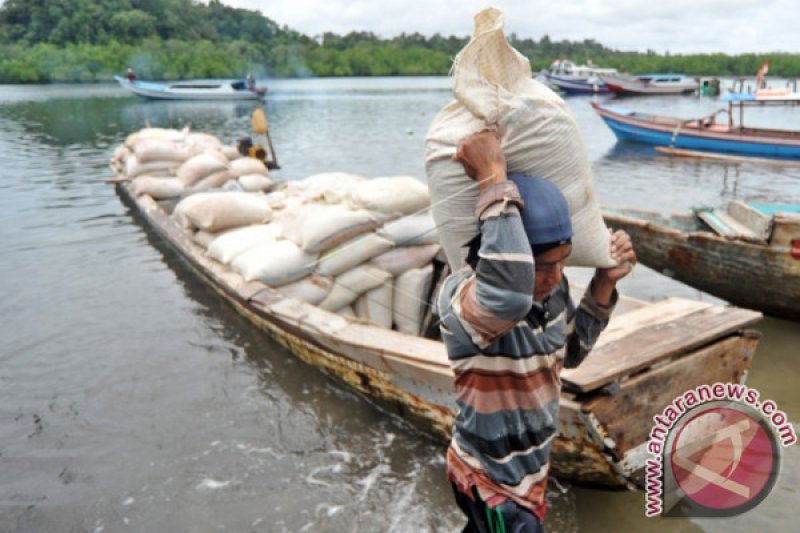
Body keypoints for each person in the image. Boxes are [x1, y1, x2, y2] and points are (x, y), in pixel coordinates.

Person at [436, 131, 637, 532]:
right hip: (489, 480)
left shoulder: (553, 292)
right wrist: (492, 175)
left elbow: (569, 354)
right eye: (541, 267)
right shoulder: (463, 298)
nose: (554, 276)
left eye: (562, 262)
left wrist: (603, 285)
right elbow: (508, 293)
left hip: (529, 474)